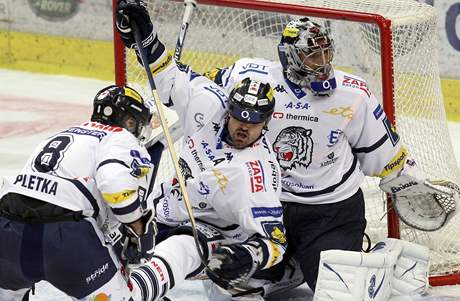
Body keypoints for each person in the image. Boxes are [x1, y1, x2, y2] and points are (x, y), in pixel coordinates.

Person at [203, 16, 460, 296]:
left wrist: (407, 179)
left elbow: (382, 149)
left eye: (326, 52)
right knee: (233, 279)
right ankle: (292, 266)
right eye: (312, 55)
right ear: (289, 56)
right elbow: (199, 98)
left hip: (329, 210)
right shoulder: (251, 78)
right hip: (266, 203)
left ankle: (388, 253)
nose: (322, 61)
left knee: (338, 293)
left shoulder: (352, 93)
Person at [106, 1, 287, 300]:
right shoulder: (207, 102)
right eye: (239, 116)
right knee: (106, 230)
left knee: (177, 251)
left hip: (209, 236)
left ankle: (134, 295)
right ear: (228, 108)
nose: (244, 127)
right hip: (163, 210)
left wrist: (248, 256)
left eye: (254, 122)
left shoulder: (255, 173)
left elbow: (276, 243)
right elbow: (168, 75)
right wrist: (144, 37)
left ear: (266, 122)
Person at [0, 85, 158, 300]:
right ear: (129, 122)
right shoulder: (120, 137)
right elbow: (114, 184)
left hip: (7, 228)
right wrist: (137, 224)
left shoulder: (63, 133)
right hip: (65, 236)